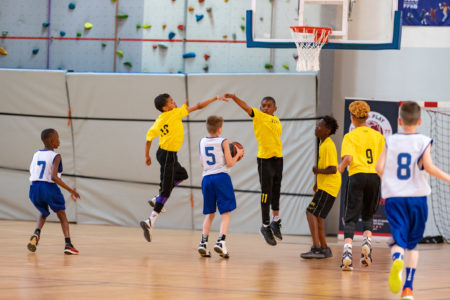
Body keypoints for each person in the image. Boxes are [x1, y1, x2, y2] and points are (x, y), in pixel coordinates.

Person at [376, 101, 450, 300]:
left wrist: (390, 181)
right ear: (420, 120)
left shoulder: (390, 140)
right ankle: (408, 289)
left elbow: (378, 167)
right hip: (417, 198)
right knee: (412, 244)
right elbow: (430, 167)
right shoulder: (423, 140)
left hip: (394, 198)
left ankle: (397, 258)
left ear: (399, 121)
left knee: (398, 239)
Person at [140, 93, 226, 242]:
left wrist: (147, 156)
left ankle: (157, 198)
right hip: (168, 156)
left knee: (182, 175)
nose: (175, 103)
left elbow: (148, 139)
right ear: (166, 108)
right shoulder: (174, 113)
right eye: (172, 102)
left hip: (163, 154)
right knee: (166, 190)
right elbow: (198, 106)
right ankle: (150, 221)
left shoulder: (159, 120)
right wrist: (214, 98)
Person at [224, 94, 283, 246]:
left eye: (269, 105)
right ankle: (265, 226)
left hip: (278, 158)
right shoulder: (258, 116)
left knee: (276, 190)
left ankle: (275, 221)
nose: (265, 108)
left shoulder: (276, 119)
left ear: (275, 108)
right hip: (265, 160)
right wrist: (234, 97)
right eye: (263, 105)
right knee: (266, 193)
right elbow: (246, 107)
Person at [338, 100, 385, 271]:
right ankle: (367, 245)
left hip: (357, 175)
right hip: (373, 176)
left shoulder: (350, 136)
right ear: (367, 117)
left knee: (351, 216)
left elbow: (348, 158)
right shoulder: (378, 136)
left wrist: (341, 167)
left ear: (352, 117)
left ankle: (347, 254)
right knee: (368, 215)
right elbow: (382, 162)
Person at [27, 128, 80, 254]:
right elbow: (53, 177)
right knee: (62, 214)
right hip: (48, 188)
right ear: (51, 140)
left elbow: (32, 171)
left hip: (34, 188)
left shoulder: (36, 154)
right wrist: (71, 190)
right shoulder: (56, 156)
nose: (59, 141)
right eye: (57, 138)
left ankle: (36, 234)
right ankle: (68, 244)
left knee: (43, 212)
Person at [197, 116, 244, 258]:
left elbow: (202, 163)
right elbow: (229, 163)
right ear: (220, 129)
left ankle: (203, 243)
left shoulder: (202, 141)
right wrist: (238, 155)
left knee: (209, 213)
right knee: (225, 213)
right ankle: (221, 242)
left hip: (206, 179)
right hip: (221, 178)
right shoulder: (223, 141)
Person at [301, 116, 341, 259]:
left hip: (330, 186)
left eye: (319, 126)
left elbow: (332, 169)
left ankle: (316, 248)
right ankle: (324, 248)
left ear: (327, 130)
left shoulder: (328, 145)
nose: (316, 128)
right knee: (317, 216)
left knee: (310, 212)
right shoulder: (322, 143)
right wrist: (318, 183)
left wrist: (317, 171)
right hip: (325, 186)